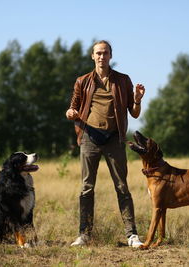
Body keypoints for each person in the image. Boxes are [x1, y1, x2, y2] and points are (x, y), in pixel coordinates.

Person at [65, 40, 145, 247]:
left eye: (105, 53)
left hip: (114, 139)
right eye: (98, 53)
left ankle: (132, 235)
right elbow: (71, 109)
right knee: (86, 188)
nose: (102, 57)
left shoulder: (122, 80)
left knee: (122, 187)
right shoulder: (82, 81)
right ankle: (84, 235)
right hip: (89, 138)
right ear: (92, 56)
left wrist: (137, 99)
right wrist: (71, 113)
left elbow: (134, 113)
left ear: (111, 56)